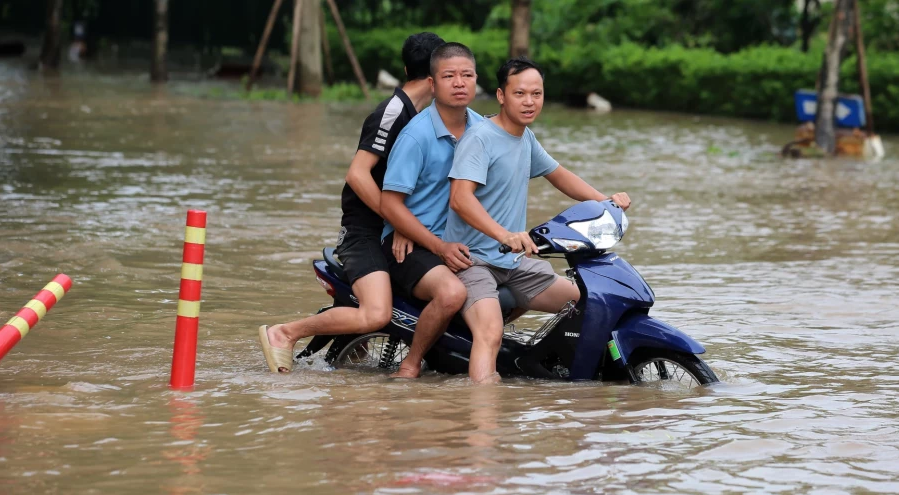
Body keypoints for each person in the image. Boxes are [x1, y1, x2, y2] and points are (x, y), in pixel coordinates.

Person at [257, 32, 446, 373]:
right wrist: (398, 219)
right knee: (377, 313)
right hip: (366, 233)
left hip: (397, 229)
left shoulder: (427, 117)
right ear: (437, 75)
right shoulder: (392, 112)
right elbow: (358, 175)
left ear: (406, 67)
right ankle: (285, 332)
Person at [446, 57, 631, 384]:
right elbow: (460, 199)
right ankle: (479, 425)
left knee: (586, 303)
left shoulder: (524, 137)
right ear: (502, 96)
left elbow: (560, 175)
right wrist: (504, 234)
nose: (530, 102)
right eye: (520, 94)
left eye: (537, 94)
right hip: (473, 261)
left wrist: (606, 201)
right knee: (489, 334)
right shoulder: (480, 138)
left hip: (512, 261)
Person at [378, 42, 484, 378]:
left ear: (476, 81)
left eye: (466, 75)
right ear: (433, 83)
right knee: (452, 294)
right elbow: (389, 203)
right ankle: (410, 364)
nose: (458, 82)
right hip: (412, 243)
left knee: (519, 282)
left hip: (461, 240)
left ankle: (460, 348)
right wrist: (414, 234)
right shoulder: (415, 136)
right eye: (449, 76)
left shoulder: (484, 130)